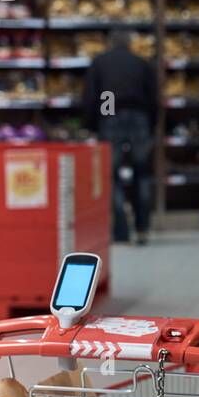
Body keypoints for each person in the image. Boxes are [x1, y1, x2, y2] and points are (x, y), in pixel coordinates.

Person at [83, 27, 158, 244]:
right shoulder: (142, 64)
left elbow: (91, 97)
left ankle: (121, 230)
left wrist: (91, 125)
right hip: (139, 119)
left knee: (111, 175)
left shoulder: (100, 63)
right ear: (129, 43)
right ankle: (142, 227)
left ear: (110, 42)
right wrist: (151, 126)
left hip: (110, 116)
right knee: (142, 172)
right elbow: (154, 98)